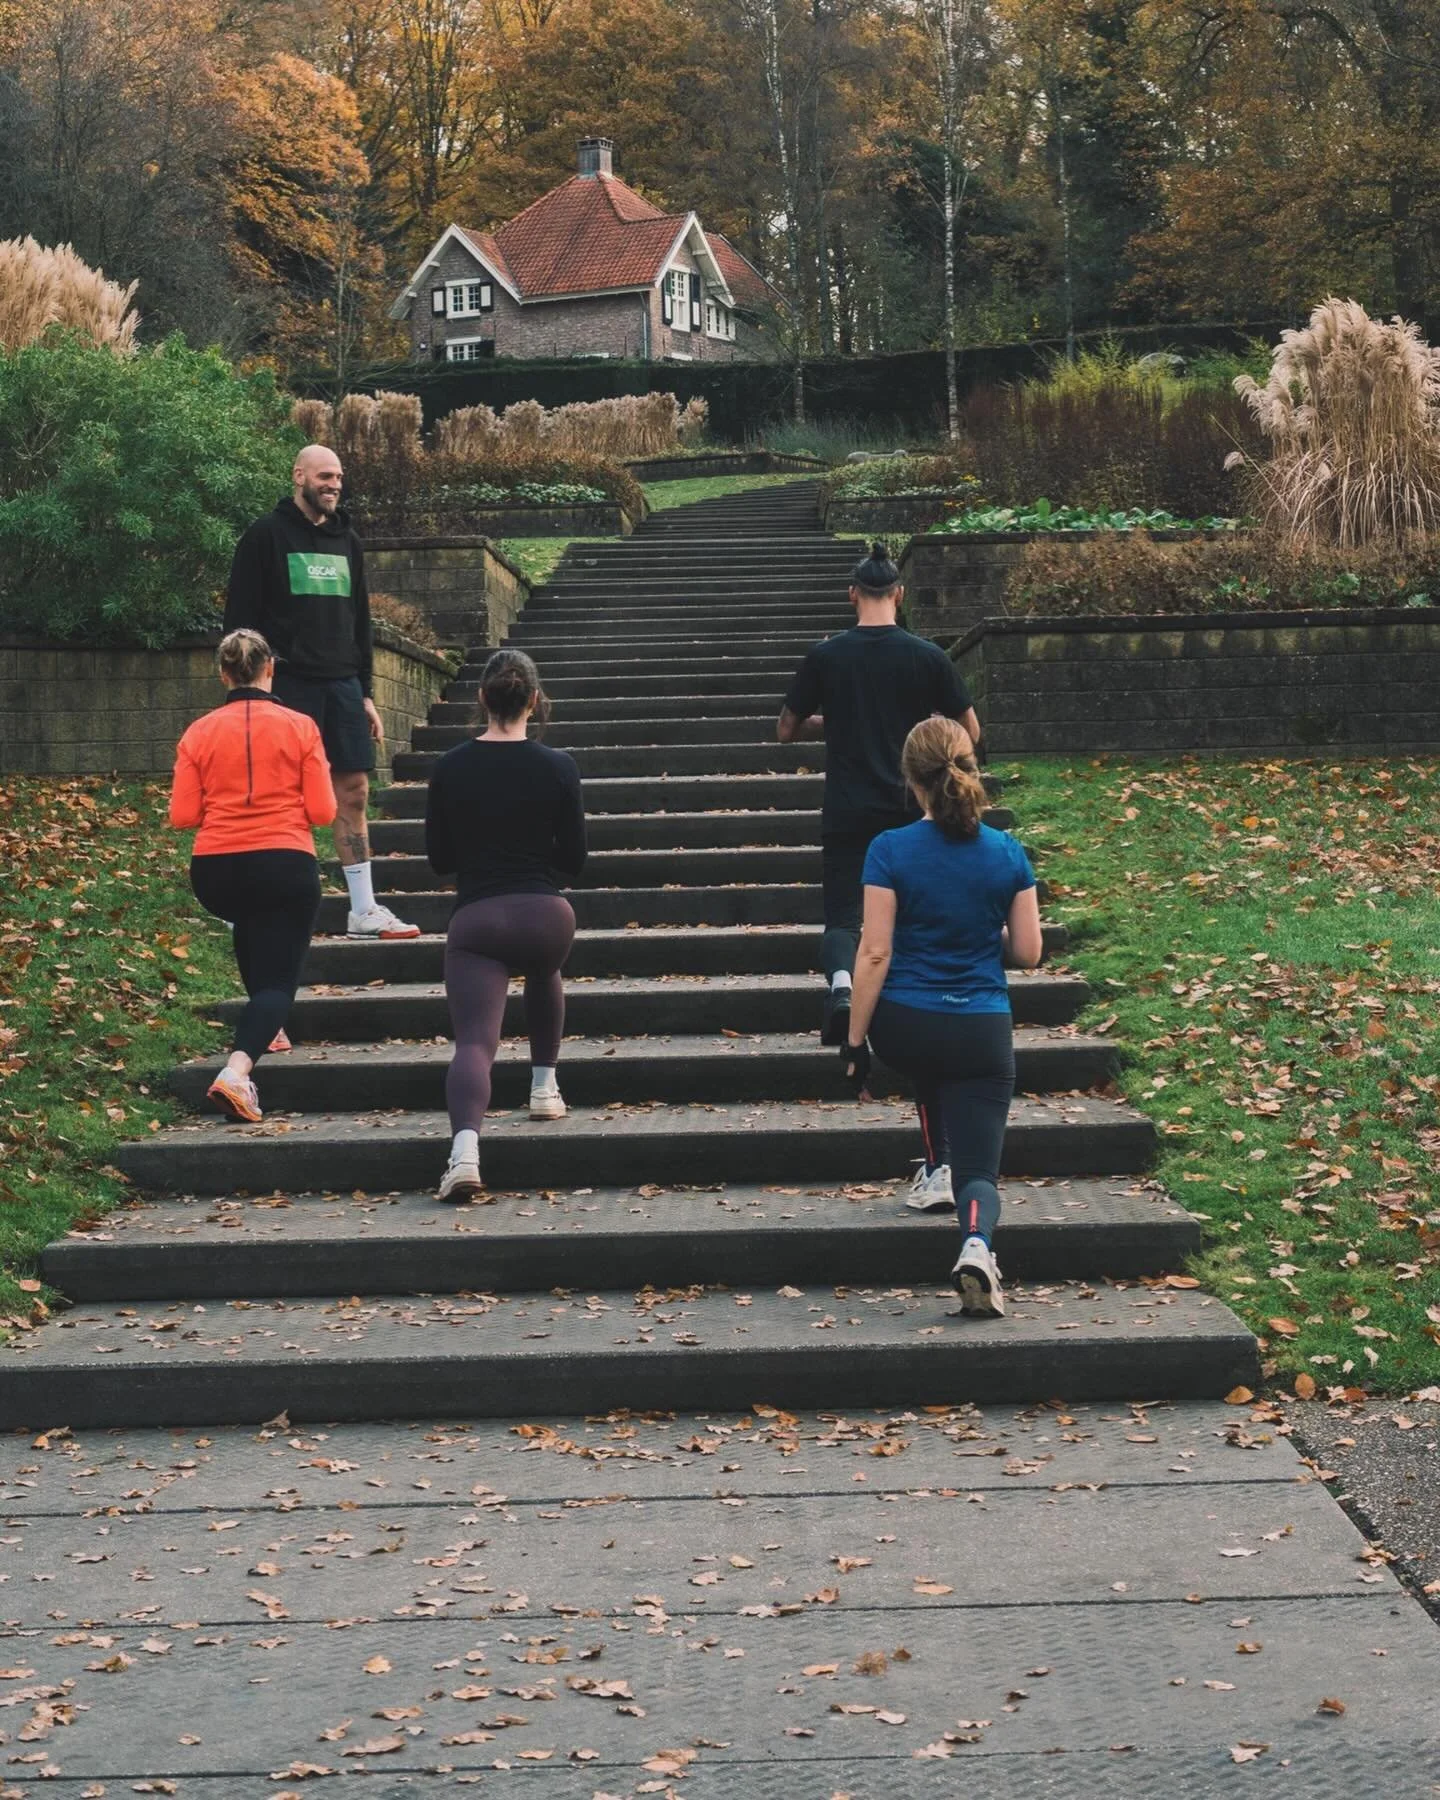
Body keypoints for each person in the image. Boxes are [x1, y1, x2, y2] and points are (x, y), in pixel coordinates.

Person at [778, 540, 982, 1208]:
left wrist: (835, 722)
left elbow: (785, 727)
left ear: (851, 595)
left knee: (842, 915)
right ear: (899, 594)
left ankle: (841, 985)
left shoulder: (826, 655)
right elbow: (970, 734)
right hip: (909, 812)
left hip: (845, 808)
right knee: (907, 935)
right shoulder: (927, 657)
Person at [839, 717, 1042, 1315]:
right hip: (979, 1026)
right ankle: (976, 1245)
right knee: (980, 1171)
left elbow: (874, 952)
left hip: (906, 1025)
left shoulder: (889, 849)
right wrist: (981, 933)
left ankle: (934, 1166)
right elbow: (1028, 952)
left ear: (911, 779)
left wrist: (855, 1040)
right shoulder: (1007, 851)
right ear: (971, 768)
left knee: (931, 1064)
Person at [223, 441, 418, 940]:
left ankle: (363, 909)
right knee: (283, 797)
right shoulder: (265, 536)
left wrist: (368, 693)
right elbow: (239, 623)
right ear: (299, 477)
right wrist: (249, 692)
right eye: (324, 476)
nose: (333, 485)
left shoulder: (347, 539)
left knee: (353, 791)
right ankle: (269, 901)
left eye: (338, 477)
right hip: (286, 685)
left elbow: (362, 621)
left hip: (343, 686)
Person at [424, 649, 587, 1203]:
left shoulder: (449, 767)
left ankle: (465, 1153)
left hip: (478, 918)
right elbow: (576, 859)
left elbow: (439, 858)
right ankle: (545, 1087)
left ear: (482, 700)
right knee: (547, 970)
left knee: (475, 1041)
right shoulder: (559, 766)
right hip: (547, 915)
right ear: (535, 701)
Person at [169, 629, 337, 1123]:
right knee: (278, 985)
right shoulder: (301, 726)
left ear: (223, 674)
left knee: (250, 921)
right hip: (284, 860)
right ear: (270, 670)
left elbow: (182, 815)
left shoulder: (198, 732)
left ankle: (269, 1028)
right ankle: (237, 1072)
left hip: (217, 869)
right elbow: (325, 811)